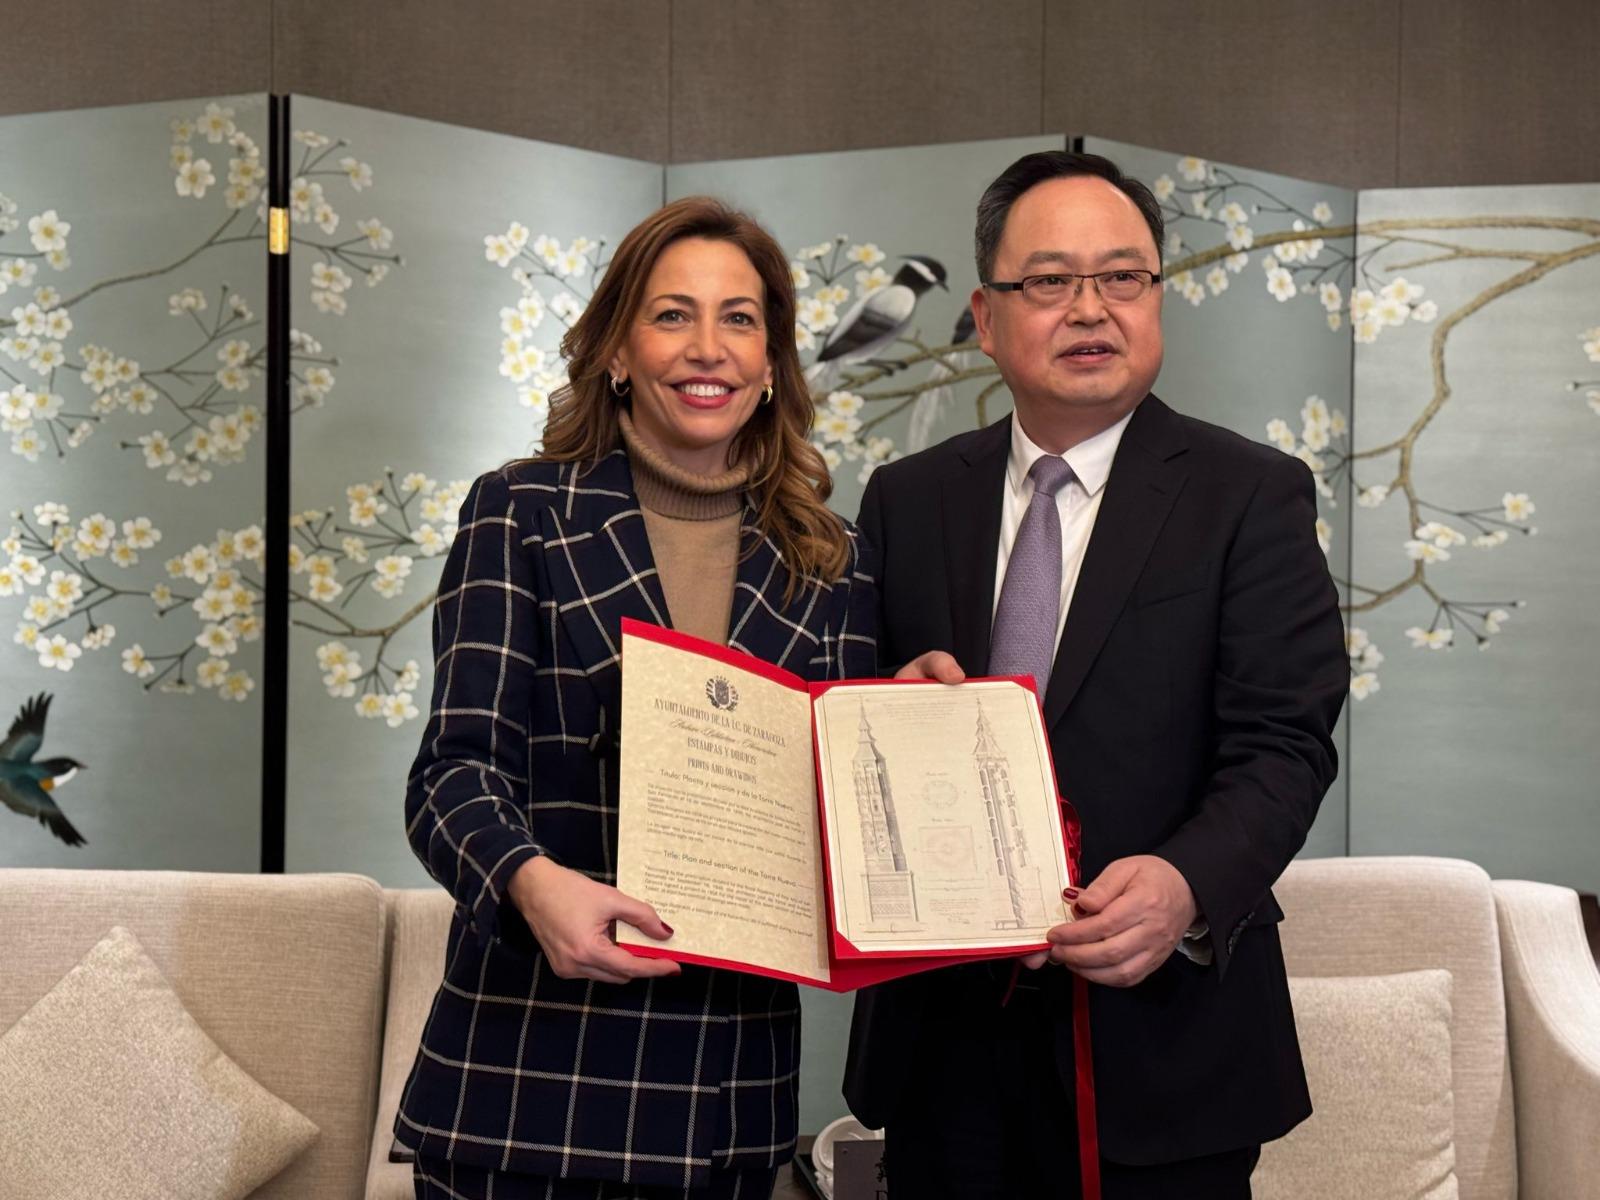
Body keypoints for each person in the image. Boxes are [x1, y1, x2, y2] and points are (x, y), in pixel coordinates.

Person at [843, 150, 1348, 1198]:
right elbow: (854, 720)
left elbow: (1284, 745)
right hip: (943, 1046)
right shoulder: (907, 499)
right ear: (985, 317)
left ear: (1156, 298)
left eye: (1122, 276)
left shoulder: (1249, 494)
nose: (1090, 308)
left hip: (1163, 1044)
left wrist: (1185, 885)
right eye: (1049, 281)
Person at [396, 196, 877, 1200]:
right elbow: (452, 777)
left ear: (772, 361)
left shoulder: (832, 558)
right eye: (671, 315)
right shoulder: (521, 510)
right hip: (528, 1079)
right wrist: (530, 883)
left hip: (726, 1098)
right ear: (618, 349)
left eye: (739, 318)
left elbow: (839, 819)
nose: (707, 348)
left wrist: (903, 733)